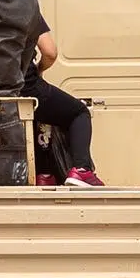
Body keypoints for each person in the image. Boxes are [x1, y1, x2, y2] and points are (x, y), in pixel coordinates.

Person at [22, 19, 104, 187]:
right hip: (24, 84)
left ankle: (44, 174)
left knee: (39, 111)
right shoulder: (26, 6)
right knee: (78, 112)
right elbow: (50, 52)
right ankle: (81, 170)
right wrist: (39, 70)